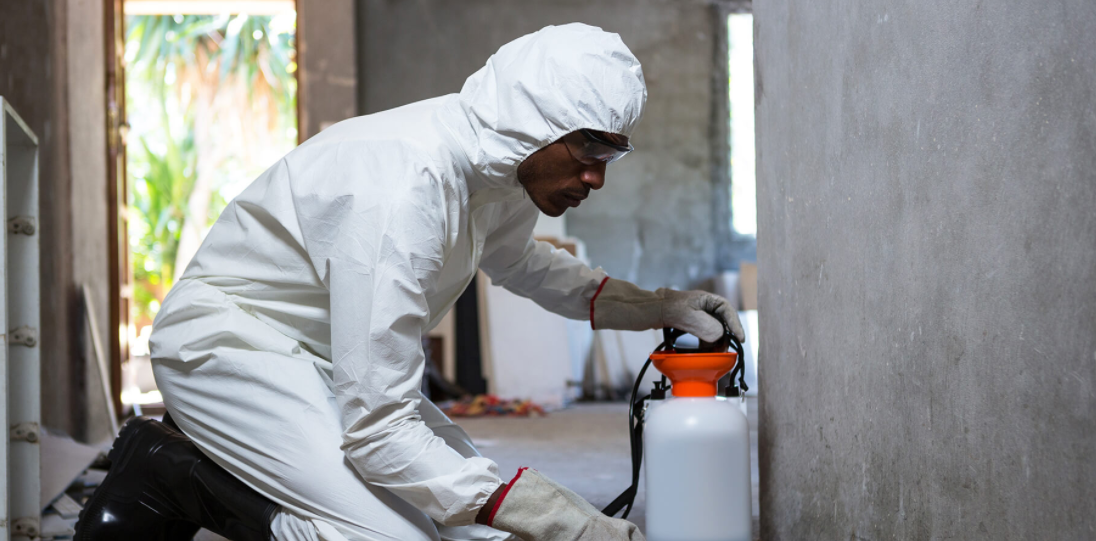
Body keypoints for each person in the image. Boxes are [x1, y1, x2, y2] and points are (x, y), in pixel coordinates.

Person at [76, 23, 744, 541]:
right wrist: (557, 515)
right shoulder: (406, 186)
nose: (596, 177)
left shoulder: (503, 167)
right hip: (229, 347)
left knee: (468, 523)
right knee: (386, 534)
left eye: (611, 153)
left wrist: (661, 306)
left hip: (324, 358)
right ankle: (168, 471)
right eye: (590, 150)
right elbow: (380, 428)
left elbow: (522, 263)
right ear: (537, 121)